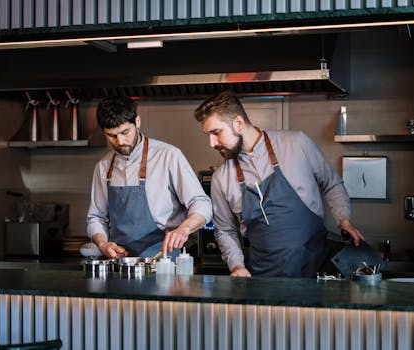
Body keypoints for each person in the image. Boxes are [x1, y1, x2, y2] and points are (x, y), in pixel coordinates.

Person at [194, 90, 364, 277]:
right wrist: (237, 266)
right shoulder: (221, 178)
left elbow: (332, 183)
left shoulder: (296, 143)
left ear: (239, 123)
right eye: (207, 135)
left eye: (216, 133)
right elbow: (225, 231)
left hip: (318, 272)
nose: (211, 142)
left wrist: (344, 219)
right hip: (265, 279)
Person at [87, 96, 212, 259]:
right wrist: (103, 244)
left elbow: (201, 203)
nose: (120, 141)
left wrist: (184, 229)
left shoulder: (168, 156)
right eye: (111, 135)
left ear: (137, 122)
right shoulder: (103, 166)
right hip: (122, 263)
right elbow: (96, 217)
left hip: (164, 259)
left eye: (125, 132)